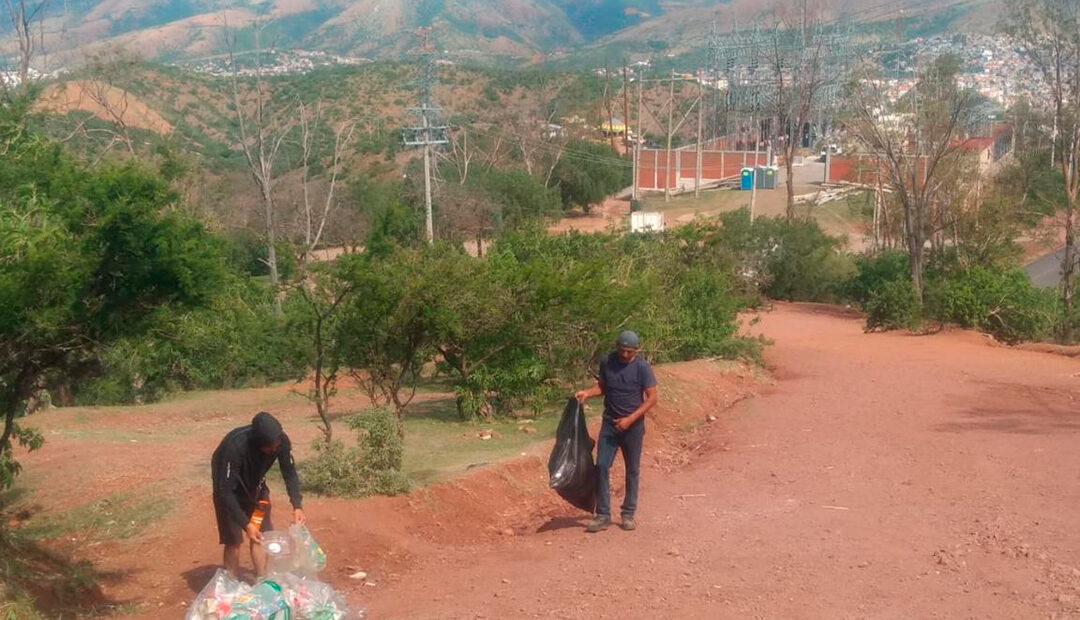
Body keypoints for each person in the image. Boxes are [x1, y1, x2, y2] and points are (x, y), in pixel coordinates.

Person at [575, 331, 658, 533]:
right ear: (617, 348)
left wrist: (630, 420)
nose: (625, 355)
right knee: (601, 466)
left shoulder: (642, 368)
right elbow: (603, 387)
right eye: (622, 351)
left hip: (633, 427)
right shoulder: (608, 362)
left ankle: (628, 514)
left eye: (629, 352)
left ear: (636, 351)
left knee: (632, 470)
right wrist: (587, 392)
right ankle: (602, 515)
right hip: (610, 425)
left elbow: (652, 398)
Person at [211, 411, 305, 577]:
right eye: (269, 446)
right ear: (257, 443)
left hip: (256, 487)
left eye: (276, 445)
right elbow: (225, 491)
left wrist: (297, 505)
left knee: (262, 534)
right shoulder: (235, 446)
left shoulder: (281, 442)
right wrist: (246, 525)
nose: (274, 449)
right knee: (233, 540)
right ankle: (230, 584)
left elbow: (289, 473)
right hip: (228, 488)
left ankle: (262, 579)